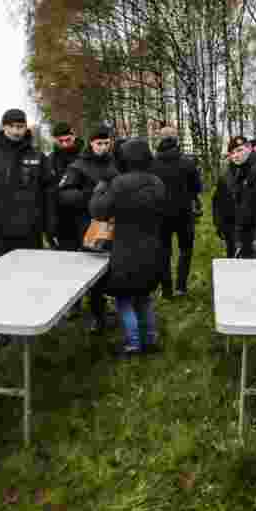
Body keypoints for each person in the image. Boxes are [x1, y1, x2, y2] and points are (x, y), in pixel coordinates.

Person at [0, 108, 57, 345]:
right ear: (4, 127)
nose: (17, 131)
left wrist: (49, 225)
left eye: (21, 126)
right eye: (13, 126)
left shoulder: (37, 156)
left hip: (30, 230)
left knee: (29, 279)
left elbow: (49, 191)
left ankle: (26, 323)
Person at [89, 138, 166, 357]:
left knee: (124, 298)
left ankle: (133, 344)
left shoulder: (119, 183)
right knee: (144, 297)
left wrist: (101, 187)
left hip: (126, 249)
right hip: (152, 248)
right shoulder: (157, 182)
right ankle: (151, 340)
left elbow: (99, 211)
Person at [57, 124, 120, 331]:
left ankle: (111, 305)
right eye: (99, 143)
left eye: (106, 143)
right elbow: (64, 195)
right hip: (88, 225)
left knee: (112, 268)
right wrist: (91, 196)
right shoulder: (78, 167)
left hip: (114, 223)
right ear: (91, 143)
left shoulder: (115, 162)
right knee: (93, 271)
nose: (103, 147)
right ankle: (96, 312)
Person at [150, 126, 203, 297]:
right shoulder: (188, 163)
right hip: (184, 214)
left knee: (163, 252)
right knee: (185, 250)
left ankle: (166, 290)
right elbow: (197, 188)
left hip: (160, 215)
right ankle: (180, 287)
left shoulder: (152, 164)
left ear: (160, 140)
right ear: (176, 140)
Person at [212, 136, 256, 258]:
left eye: (239, 150)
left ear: (249, 148)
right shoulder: (226, 175)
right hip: (232, 230)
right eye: (232, 153)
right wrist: (220, 225)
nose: (236, 155)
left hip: (255, 230)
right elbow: (218, 202)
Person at [47, 122, 84, 252]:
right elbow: (48, 191)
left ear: (74, 135)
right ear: (55, 140)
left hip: (85, 216)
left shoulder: (86, 155)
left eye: (67, 140)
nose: (64, 144)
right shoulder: (50, 160)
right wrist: (50, 224)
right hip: (62, 220)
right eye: (60, 141)